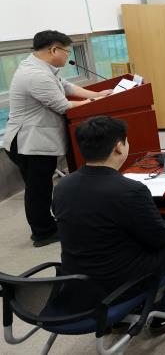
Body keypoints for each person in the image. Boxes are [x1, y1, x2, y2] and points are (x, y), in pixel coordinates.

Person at [52, 116, 165, 332]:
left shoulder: (62, 186)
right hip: (120, 282)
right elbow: (161, 240)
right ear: (119, 146)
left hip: (78, 282)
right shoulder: (130, 190)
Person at [3, 30, 112, 247]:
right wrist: (95, 105)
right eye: (66, 51)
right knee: (38, 189)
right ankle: (43, 233)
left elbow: (67, 86)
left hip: (35, 139)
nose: (67, 55)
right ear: (54, 49)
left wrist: (97, 95)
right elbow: (62, 105)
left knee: (41, 187)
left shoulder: (41, 67)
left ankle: (46, 225)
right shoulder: (35, 75)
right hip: (28, 142)